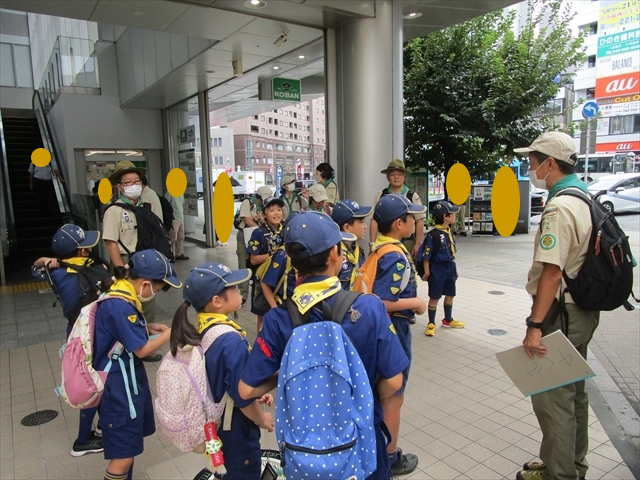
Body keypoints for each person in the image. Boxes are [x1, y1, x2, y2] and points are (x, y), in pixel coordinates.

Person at [238, 211, 409, 480]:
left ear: (294, 263)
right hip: (361, 445)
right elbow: (394, 382)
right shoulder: (368, 307)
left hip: (304, 453)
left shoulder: (277, 320)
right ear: (334, 253)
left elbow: (246, 389)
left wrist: (289, 374)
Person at [513, 132, 598, 480]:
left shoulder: (559, 206)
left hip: (559, 315)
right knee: (574, 394)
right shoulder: (583, 196)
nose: (529, 166)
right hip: (582, 311)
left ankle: (559, 475)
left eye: (532, 161)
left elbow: (551, 272)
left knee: (553, 399)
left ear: (550, 163)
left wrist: (535, 326)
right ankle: (571, 464)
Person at [170, 263, 274, 479]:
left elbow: (226, 380)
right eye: (234, 288)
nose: (239, 291)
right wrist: (261, 419)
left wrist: (255, 392)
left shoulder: (202, 328)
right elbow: (242, 398)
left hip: (217, 422)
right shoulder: (230, 340)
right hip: (235, 427)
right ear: (216, 302)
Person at [94, 249, 181, 480]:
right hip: (118, 389)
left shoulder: (122, 294)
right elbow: (141, 350)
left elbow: (120, 333)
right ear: (145, 284)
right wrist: (169, 334)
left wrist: (149, 327)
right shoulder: (120, 306)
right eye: (158, 289)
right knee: (122, 456)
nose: (156, 294)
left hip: (124, 383)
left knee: (128, 451)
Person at [31, 224, 105, 457]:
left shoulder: (54, 273)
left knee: (91, 377)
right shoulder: (96, 271)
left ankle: (103, 424)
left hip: (73, 333)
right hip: (94, 333)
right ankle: (83, 439)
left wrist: (50, 261)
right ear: (82, 252)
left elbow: (35, 266)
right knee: (93, 383)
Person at [370, 194, 427, 476]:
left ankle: (378, 449)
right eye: (411, 219)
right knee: (394, 395)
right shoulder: (395, 256)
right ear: (398, 223)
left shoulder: (378, 249)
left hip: (382, 330)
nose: (416, 223)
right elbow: (380, 301)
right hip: (394, 329)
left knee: (383, 390)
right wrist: (415, 304)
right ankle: (390, 456)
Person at [102, 161, 162, 361]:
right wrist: (120, 270)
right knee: (128, 305)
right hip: (126, 262)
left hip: (145, 260)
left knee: (148, 303)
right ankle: (130, 344)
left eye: (136, 181)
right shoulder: (114, 211)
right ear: (119, 187)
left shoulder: (144, 208)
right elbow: (111, 243)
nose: (133, 185)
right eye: (128, 182)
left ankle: (146, 346)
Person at [418, 201, 465, 337]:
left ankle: (448, 320)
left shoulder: (449, 231)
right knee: (435, 296)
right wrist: (427, 272)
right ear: (445, 216)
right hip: (437, 269)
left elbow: (451, 252)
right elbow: (426, 255)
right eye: (452, 214)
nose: (455, 216)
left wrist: (454, 269)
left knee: (450, 294)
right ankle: (431, 323)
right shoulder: (433, 235)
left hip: (449, 267)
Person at [369, 159, 425, 258]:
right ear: (387, 177)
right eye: (392, 174)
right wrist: (372, 242)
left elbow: (419, 220)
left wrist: (418, 243)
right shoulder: (382, 195)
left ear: (404, 177)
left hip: (408, 242)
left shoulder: (412, 196)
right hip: (386, 240)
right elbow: (374, 220)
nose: (396, 177)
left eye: (399, 174)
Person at [247, 196, 285, 332]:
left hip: (282, 279)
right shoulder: (258, 233)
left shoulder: (286, 229)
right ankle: (260, 344)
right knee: (263, 316)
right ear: (264, 213)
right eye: (271, 210)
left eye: (279, 210)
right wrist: (272, 255)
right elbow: (253, 259)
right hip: (263, 279)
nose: (276, 213)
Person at [235, 185, 272, 305]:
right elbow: (246, 219)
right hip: (245, 235)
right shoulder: (248, 202)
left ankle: (259, 291)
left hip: (258, 237)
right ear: (258, 197)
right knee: (243, 264)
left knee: (258, 264)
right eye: (262, 199)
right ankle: (243, 294)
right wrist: (259, 228)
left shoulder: (266, 206)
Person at [331, 199, 372, 291]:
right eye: (361, 222)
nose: (365, 226)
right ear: (347, 227)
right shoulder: (334, 254)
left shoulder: (357, 250)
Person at [164, 191, 189, 261]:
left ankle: (179, 253)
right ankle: (172, 255)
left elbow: (182, 204)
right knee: (172, 239)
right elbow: (166, 204)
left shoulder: (181, 193)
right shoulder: (169, 193)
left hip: (181, 218)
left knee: (180, 238)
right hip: (174, 219)